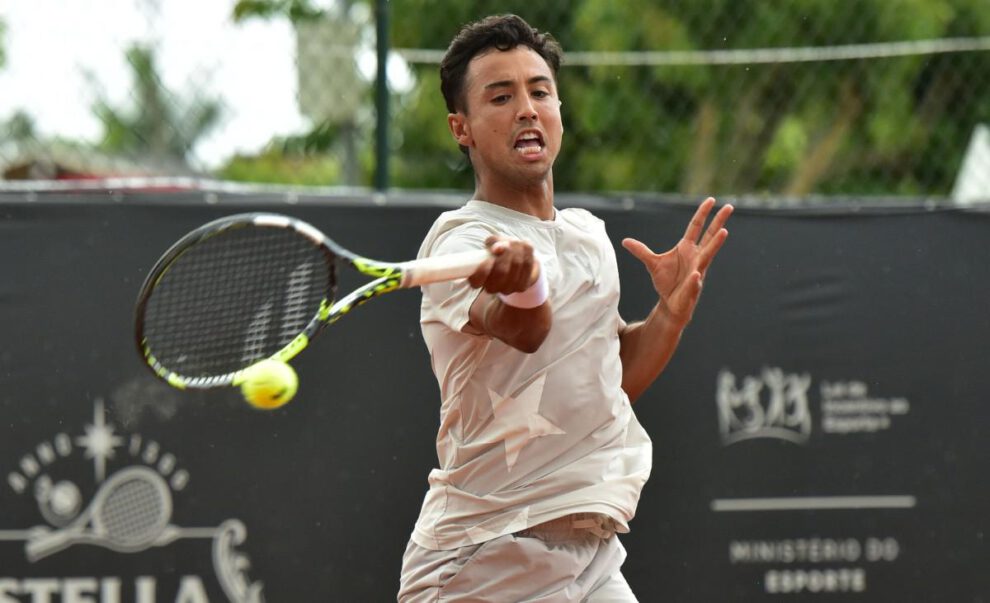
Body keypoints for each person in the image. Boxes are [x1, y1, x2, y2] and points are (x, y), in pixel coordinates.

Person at [398, 14, 733, 602]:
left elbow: (610, 380)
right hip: (483, 559)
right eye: (501, 97)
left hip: (591, 556)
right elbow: (522, 329)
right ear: (461, 128)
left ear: (559, 110)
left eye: (540, 92)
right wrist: (524, 287)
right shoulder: (459, 243)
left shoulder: (587, 235)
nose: (527, 109)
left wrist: (670, 314)